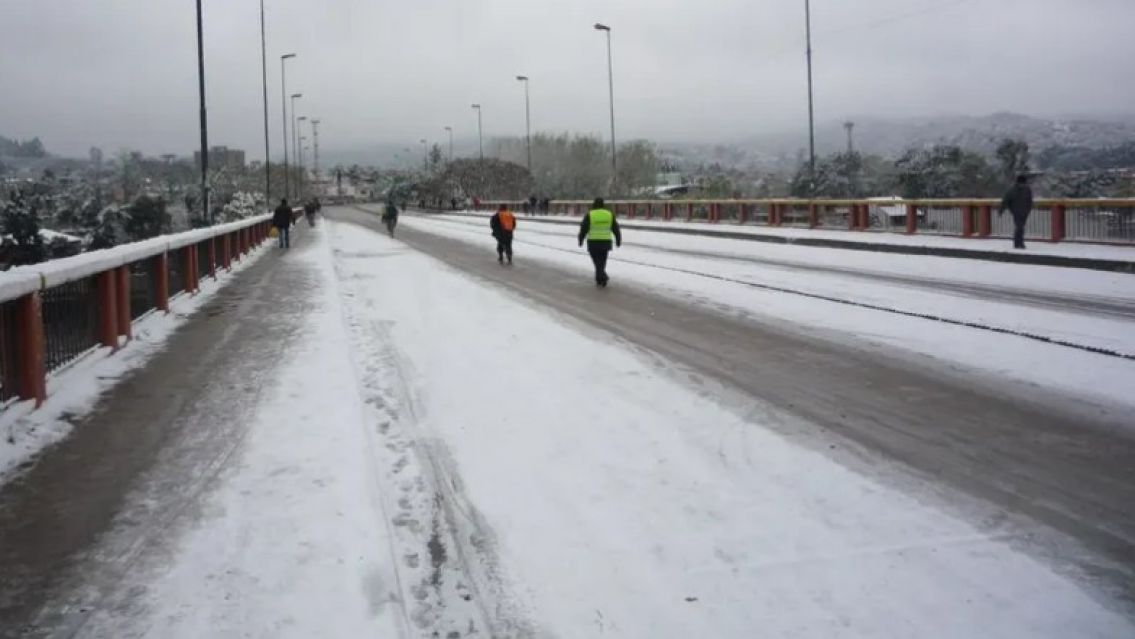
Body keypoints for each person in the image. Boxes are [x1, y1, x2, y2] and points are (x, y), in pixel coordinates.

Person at [578, 197, 621, 287]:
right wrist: (618, 239)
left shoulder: (590, 214)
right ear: (603, 204)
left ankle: (602, 277)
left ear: (594, 204)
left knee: (596, 261)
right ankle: (599, 279)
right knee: (602, 261)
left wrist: (580, 239)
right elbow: (615, 228)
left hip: (593, 242)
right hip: (605, 241)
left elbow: (584, 228)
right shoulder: (609, 214)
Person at [999, 174, 1034, 249]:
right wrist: (1001, 210)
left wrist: (1029, 209)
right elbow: (1005, 200)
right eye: (1022, 183)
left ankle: (1017, 242)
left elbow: (1030, 200)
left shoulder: (1027, 189)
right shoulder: (1012, 190)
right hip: (1016, 212)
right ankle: (1019, 243)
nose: (1023, 185)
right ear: (1018, 183)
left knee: (1021, 227)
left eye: (1024, 183)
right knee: (1019, 227)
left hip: (1025, 212)